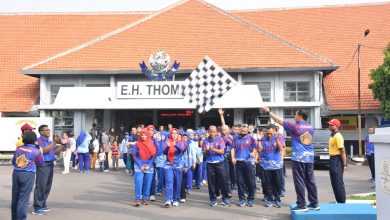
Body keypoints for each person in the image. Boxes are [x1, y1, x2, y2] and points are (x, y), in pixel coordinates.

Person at [262, 107, 319, 211]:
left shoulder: (295, 126)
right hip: (309, 157)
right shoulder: (310, 127)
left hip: (299, 158)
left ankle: (302, 205)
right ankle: (314, 203)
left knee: (300, 181)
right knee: (310, 180)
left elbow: (279, 121)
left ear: (300, 116)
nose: (294, 117)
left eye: (296, 115)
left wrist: (269, 112)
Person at [11, 131, 45, 219]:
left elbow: (14, 161)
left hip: (16, 173)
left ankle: (14, 218)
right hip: (28, 174)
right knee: (23, 199)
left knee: (15, 197)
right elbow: (41, 164)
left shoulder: (18, 148)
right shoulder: (36, 151)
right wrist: (40, 152)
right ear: (34, 140)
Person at [33, 125, 62, 215]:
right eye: (47, 130)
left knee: (47, 186)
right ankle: (37, 207)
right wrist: (54, 142)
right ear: (41, 132)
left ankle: (42, 204)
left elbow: (55, 152)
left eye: (49, 130)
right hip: (43, 165)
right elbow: (44, 151)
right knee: (41, 186)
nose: (49, 131)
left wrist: (62, 144)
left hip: (50, 164)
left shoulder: (49, 141)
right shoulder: (39, 141)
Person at [202, 125, 231, 207]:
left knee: (223, 181)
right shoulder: (205, 141)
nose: (212, 133)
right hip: (210, 164)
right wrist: (207, 150)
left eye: (214, 132)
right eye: (211, 132)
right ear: (208, 132)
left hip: (220, 163)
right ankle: (213, 199)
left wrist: (213, 149)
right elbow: (204, 154)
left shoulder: (220, 139)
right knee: (211, 183)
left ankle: (225, 198)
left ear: (216, 132)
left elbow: (222, 151)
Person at [231, 124, 257, 207]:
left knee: (250, 182)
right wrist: (233, 158)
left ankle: (250, 199)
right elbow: (232, 148)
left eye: (245, 132)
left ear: (247, 131)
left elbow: (255, 148)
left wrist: (253, 153)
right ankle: (242, 199)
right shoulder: (235, 138)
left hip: (248, 162)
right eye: (242, 131)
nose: (243, 133)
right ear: (239, 131)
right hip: (239, 162)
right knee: (240, 182)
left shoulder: (250, 138)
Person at [259, 125, 284, 208]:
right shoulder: (263, 138)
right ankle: (269, 199)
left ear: (274, 131)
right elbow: (259, 149)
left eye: (271, 133)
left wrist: (276, 139)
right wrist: (259, 139)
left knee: (277, 183)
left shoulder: (278, 137)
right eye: (267, 133)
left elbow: (281, 148)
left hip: (276, 165)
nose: (269, 135)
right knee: (267, 183)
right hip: (266, 165)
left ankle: (277, 200)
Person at [133, 129, 157, 206]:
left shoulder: (151, 143)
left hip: (149, 165)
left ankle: (145, 198)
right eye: (142, 135)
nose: (143, 136)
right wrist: (140, 165)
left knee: (147, 183)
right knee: (138, 183)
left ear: (147, 135)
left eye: (145, 135)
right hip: (139, 165)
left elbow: (153, 156)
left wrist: (149, 165)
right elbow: (134, 155)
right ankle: (138, 199)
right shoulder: (137, 144)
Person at [163, 128, 185, 208]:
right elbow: (164, 152)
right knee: (169, 182)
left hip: (178, 165)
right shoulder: (167, 142)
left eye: (176, 133)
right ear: (170, 134)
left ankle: (176, 199)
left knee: (177, 183)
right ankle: (168, 200)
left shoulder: (181, 142)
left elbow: (181, 149)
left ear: (178, 134)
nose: (174, 135)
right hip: (168, 164)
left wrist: (175, 144)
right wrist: (168, 147)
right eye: (173, 133)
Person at [327, 119, 347, 203]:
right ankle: (338, 201)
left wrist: (344, 164)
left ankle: (342, 202)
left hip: (337, 159)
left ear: (336, 126)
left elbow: (342, 151)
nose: (329, 126)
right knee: (334, 182)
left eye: (331, 125)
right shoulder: (332, 135)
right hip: (332, 159)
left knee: (338, 181)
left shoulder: (338, 136)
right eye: (329, 124)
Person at [154, 132, 166, 196]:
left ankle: (159, 190)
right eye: (157, 136)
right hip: (153, 162)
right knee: (155, 177)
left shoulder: (163, 144)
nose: (158, 137)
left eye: (160, 136)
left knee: (161, 177)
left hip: (161, 163)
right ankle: (154, 189)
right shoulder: (153, 143)